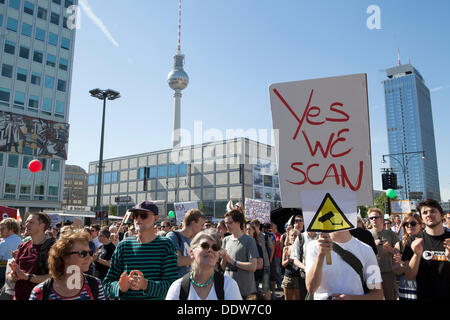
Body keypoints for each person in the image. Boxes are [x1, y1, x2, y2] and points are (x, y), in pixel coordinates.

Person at [103, 200, 178, 300]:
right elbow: (107, 283)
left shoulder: (166, 245)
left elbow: (172, 286)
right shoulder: (123, 246)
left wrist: (146, 285)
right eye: (135, 215)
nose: (138, 218)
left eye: (143, 215)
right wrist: (120, 288)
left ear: (155, 218)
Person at [305, 230, 383, 300]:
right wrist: (321, 255)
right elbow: (311, 288)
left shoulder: (367, 250)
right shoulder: (313, 247)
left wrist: (351, 299)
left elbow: (377, 294)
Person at [165, 229, 242, 300]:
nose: (210, 250)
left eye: (215, 247)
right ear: (192, 253)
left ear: (217, 256)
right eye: (205, 246)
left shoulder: (229, 285)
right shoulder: (178, 287)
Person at [29, 230, 105, 300]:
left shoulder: (95, 285)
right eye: (83, 254)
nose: (89, 258)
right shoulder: (41, 292)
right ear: (64, 256)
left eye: (90, 253)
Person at [401, 199, 450, 300]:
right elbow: (409, 275)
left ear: (441, 216)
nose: (429, 214)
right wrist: (416, 255)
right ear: (422, 219)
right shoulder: (413, 240)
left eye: (433, 211)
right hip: (425, 296)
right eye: (424, 212)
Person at [8, 212, 55, 300]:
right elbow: (13, 273)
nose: (26, 225)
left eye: (31, 222)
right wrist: (12, 275)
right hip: (18, 296)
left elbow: (54, 277)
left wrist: (26, 276)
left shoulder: (53, 248)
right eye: (26, 222)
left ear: (42, 226)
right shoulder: (23, 246)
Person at [220, 209, 258, 300]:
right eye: (225, 223)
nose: (227, 226)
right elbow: (222, 267)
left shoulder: (249, 241)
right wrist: (224, 259)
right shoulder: (226, 240)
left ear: (238, 223)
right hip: (227, 288)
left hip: (244, 290)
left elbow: (253, 267)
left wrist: (232, 261)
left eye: (230, 222)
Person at [368, 207, 398, 300]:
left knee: (390, 296)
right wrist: (373, 247)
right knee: (374, 297)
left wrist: (390, 249)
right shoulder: (366, 234)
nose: (373, 220)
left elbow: (398, 253)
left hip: (388, 271)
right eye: (371, 218)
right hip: (372, 272)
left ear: (381, 219)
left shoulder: (391, 234)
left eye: (375, 217)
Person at [166, 209, 206, 277]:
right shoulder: (173, 236)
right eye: (201, 225)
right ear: (193, 223)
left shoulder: (195, 240)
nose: (203, 228)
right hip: (176, 283)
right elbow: (178, 261)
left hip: (189, 284)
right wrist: (202, 257)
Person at [393, 213, 423, 300]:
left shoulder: (427, 242)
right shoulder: (399, 244)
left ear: (420, 225)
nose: (409, 226)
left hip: (426, 285)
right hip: (407, 287)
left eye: (413, 223)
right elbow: (396, 270)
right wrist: (403, 265)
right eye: (406, 224)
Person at [250, 219, 273, 300]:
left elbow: (272, 247)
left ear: (258, 226)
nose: (252, 228)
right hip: (255, 266)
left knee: (266, 287)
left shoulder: (264, 236)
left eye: (254, 226)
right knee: (253, 288)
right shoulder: (249, 236)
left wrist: (270, 259)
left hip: (265, 265)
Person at [0, 218, 22, 287]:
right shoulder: (21, 241)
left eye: (3, 228)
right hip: (16, 271)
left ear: (11, 229)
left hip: (3, 272)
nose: (0, 230)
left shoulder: (4, 243)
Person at [245, 223, 264, 296]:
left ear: (254, 231)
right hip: (243, 277)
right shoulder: (242, 244)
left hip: (253, 278)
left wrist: (245, 266)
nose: (247, 231)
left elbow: (260, 265)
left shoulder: (257, 245)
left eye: (249, 229)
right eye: (246, 229)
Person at [281, 228, 301, 300]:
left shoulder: (301, 248)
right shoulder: (286, 248)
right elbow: (283, 264)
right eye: (292, 235)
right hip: (287, 277)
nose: (293, 237)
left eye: (295, 236)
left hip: (298, 277)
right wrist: (288, 260)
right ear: (289, 237)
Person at [270, 222, 283, 291]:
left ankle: (279, 285)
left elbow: (278, 243)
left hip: (277, 255)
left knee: (278, 270)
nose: (271, 229)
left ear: (275, 228)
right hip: (271, 255)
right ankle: (274, 285)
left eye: (272, 227)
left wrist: (273, 242)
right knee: (273, 271)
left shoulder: (279, 235)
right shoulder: (270, 235)